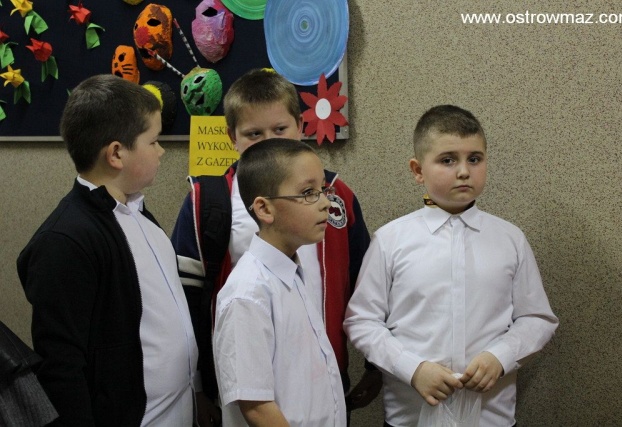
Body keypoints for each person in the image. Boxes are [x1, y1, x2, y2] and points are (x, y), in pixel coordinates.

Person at [171, 68, 380, 422]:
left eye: (280, 129)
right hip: (253, 383)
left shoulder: (335, 197)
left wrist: (375, 365)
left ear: (300, 126)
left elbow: (366, 285)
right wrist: (198, 387)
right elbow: (186, 303)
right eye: (254, 134)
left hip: (323, 380)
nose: (269, 142)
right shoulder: (208, 200)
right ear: (232, 137)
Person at [343, 105, 559, 427]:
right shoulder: (390, 240)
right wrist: (412, 368)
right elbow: (362, 321)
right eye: (447, 160)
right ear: (418, 170)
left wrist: (500, 357)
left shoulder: (510, 239)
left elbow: (537, 318)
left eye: (475, 159)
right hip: (411, 416)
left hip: (490, 416)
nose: (463, 171)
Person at [17, 74, 199, 426]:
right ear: (116, 153)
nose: (161, 151)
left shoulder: (139, 214)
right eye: (153, 141)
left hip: (179, 409)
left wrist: (196, 390)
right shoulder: (65, 241)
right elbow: (61, 366)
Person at [213, 138, 346, 426]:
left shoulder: (291, 273)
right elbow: (257, 407)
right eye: (308, 193)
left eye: (323, 190)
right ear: (264, 209)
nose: (326, 203)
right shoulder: (248, 294)